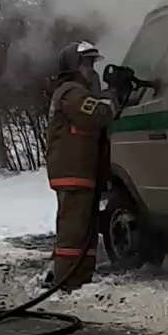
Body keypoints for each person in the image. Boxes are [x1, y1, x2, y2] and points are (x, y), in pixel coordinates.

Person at [44, 41, 116, 290]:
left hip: (82, 170)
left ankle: (81, 278)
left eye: (93, 63)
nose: (91, 69)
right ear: (73, 67)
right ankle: (66, 280)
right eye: (86, 64)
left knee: (85, 230)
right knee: (74, 232)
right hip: (72, 171)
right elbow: (96, 114)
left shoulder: (79, 91)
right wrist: (114, 98)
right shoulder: (71, 93)